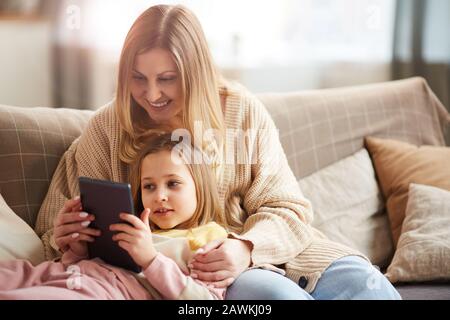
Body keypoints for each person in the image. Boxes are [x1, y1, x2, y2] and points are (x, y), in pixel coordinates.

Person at [35, 4, 400, 299]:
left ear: (195, 72)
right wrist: (65, 234)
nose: (151, 94)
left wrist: (247, 247)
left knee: (367, 284)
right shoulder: (107, 128)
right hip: (199, 277)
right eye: (137, 77)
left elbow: (289, 209)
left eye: (166, 78)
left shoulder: (240, 110)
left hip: (277, 254)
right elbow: (56, 230)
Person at [0, 133, 230, 299]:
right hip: (67, 273)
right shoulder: (131, 222)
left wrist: (150, 259)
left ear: (200, 187)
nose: (160, 195)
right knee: (10, 272)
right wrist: (77, 250)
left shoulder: (208, 238)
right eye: (149, 186)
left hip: (104, 290)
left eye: (173, 183)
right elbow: (92, 263)